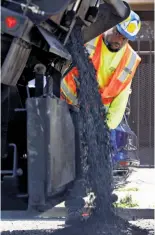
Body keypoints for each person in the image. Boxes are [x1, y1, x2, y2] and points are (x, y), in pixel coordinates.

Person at [61, 10, 141, 225]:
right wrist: (75, 106)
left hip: (100, 117)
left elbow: (122, 95)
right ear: (110, 27)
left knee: (102, 161)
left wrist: (106, 128)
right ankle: (75, 210)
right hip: (74, 106)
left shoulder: (130, 59)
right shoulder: (88, 42)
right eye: (117, 33)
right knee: (78, 160)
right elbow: (66, 78)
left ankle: (104, 205)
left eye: (124, 38)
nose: (119, 40)